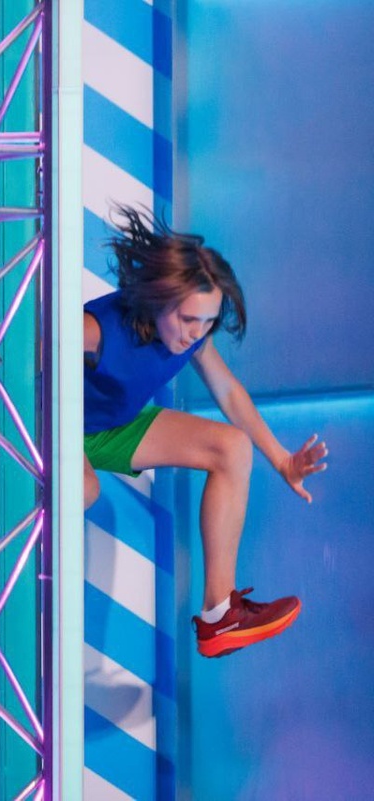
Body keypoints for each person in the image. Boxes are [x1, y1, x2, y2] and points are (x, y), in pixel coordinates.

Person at [83, 207, 327, 658]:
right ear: (158, 299)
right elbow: (26, 355)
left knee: (232, 448)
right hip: (58, 427)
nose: (195, 333)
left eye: (207, 322)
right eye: (187, 319)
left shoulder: (194, 336)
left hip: (111, 426)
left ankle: (219, 616)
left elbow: (229, 393)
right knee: (85, 489)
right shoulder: (99, 330)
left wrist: (282, 460)